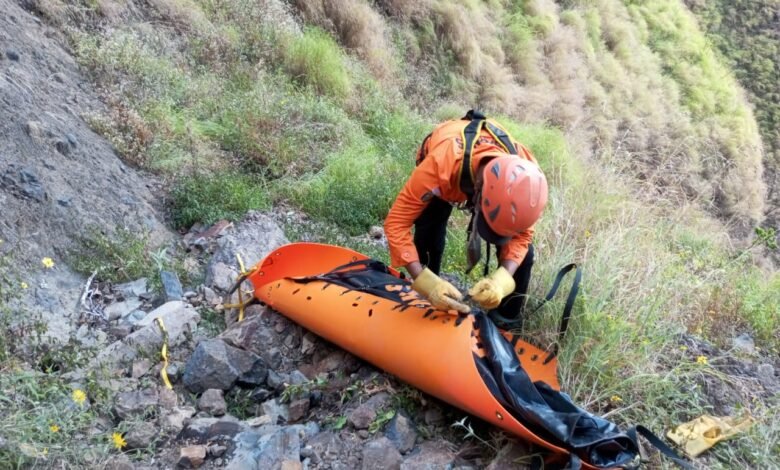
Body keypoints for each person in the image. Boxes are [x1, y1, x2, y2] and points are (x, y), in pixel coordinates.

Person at [384, 110, 548, 323]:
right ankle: (426, 297)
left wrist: (502, 281)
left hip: (476, 170)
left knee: (524, 257)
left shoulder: (528, 180)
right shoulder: (439, 166)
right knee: (429, 231)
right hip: (447, 168)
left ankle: (504, 322)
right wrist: (426, 283)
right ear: (478, 192)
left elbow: (522, 238)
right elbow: (397, 223)